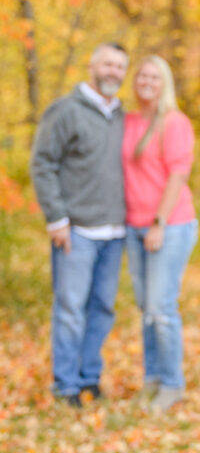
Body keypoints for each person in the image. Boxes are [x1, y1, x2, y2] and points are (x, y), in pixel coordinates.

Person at [30, 43, 129, 408]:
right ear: (92, 65)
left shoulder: (122, 115)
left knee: (102, 308)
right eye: (107, 63)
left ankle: (90, 377)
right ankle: (66, 385)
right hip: (75, 231)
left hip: (114, 232)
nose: (113, 72)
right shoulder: (65, 111)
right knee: (70, 309)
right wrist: (56, 218)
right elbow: (42, 164)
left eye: (120, 67)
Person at [122, 55, 198, 412]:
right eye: (142, 75)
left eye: (154, 76)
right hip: (133, 225)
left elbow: (178, 174)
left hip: (170, 224)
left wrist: (159, 222)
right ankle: (152, 379)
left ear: (164, 82)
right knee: (145, 308)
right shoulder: (129, 121)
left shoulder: (175, 122)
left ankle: (172, 384)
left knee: (160, 308)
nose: (147, 81)